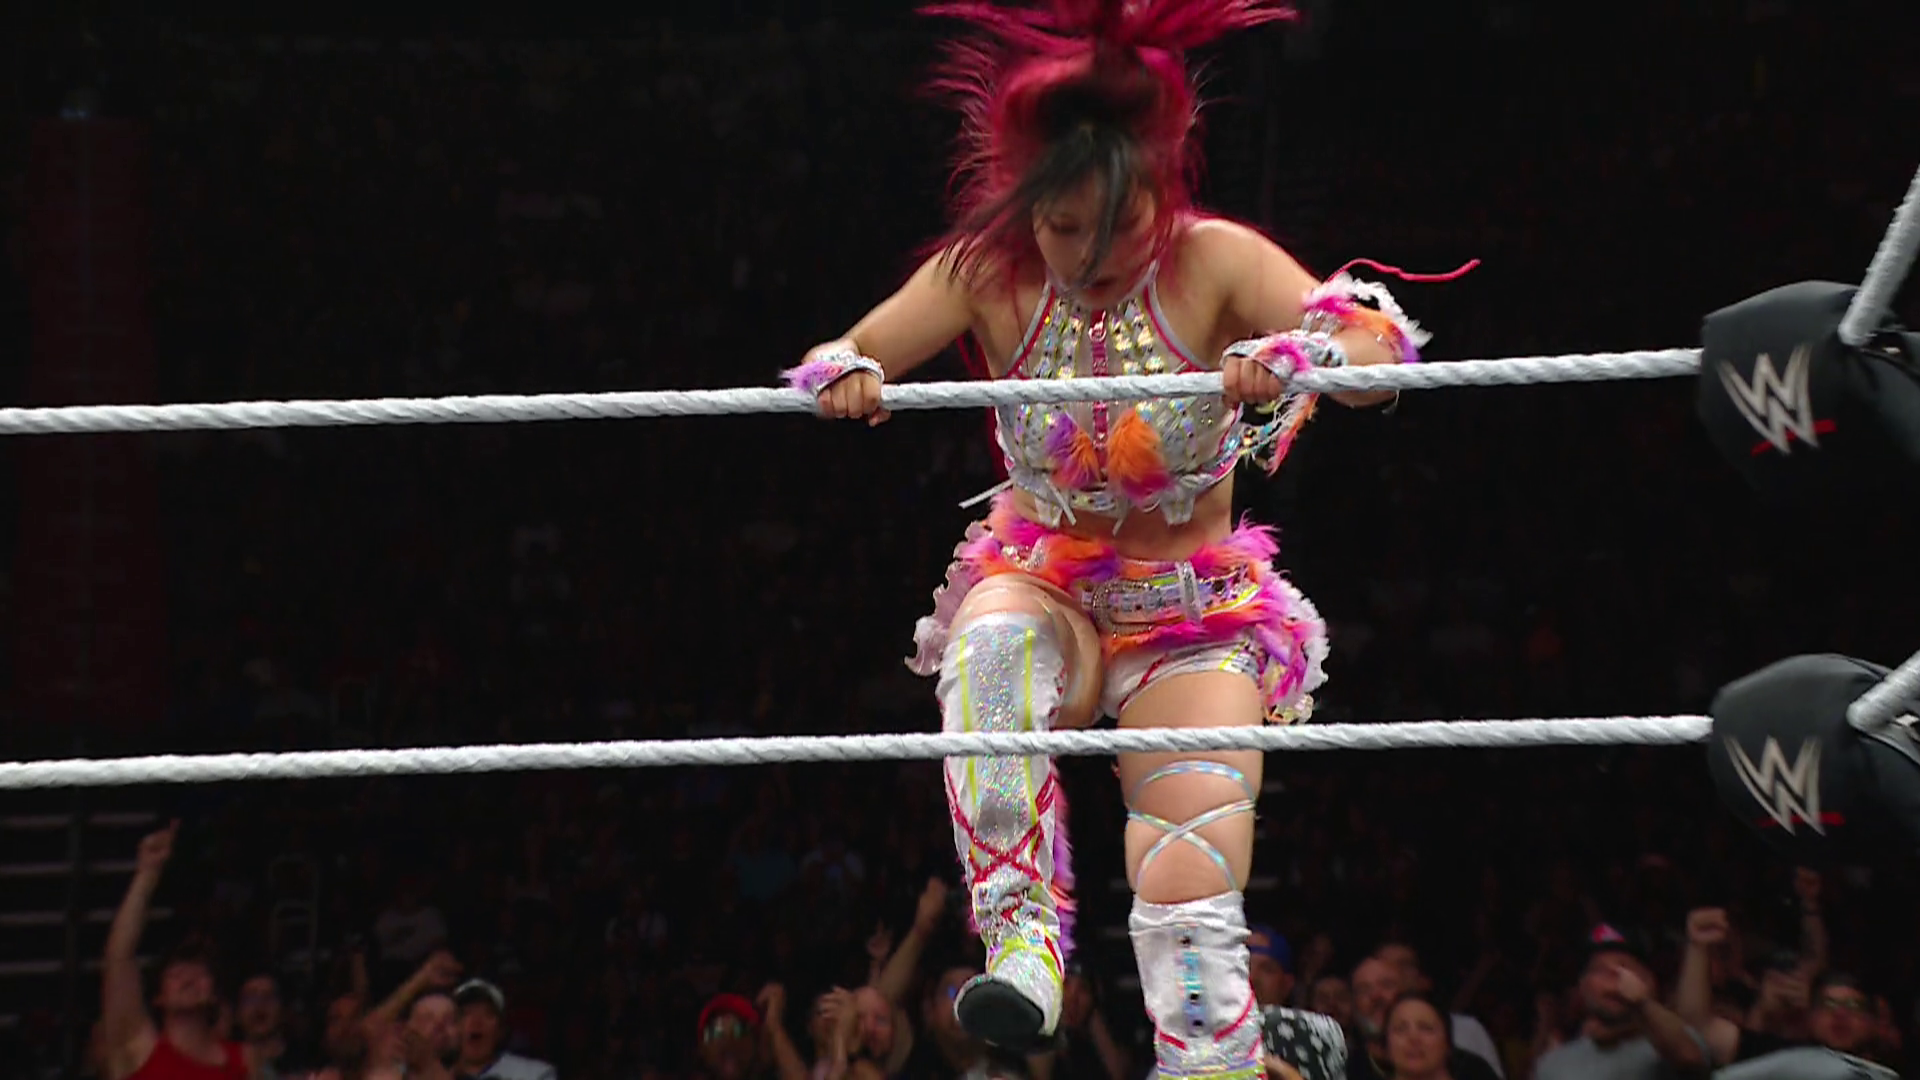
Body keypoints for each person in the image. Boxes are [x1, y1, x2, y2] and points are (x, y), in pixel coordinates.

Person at [788, 1, 1448, 1077]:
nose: (1090, 255)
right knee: (989, 657)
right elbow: (843, 353)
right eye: (1063, 227)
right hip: (1043, 581)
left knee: (1190, 864)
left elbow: (1379, 350)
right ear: (1028, 208)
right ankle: (1021, 949)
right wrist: (849, 375)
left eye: (1118, 223)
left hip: (1188, 612)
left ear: (1160, 190)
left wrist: (1300, 356)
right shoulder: (984, 271)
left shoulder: (1216, 259)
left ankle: (1209, 1058)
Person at [99, 822, 259, 1080]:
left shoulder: (245, 1059)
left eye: (201, 973)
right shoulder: (139, 1049)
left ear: (214, 994)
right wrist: (147, 874)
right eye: (176, 974)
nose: (188, 977)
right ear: (159, 997)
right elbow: (119, 957)